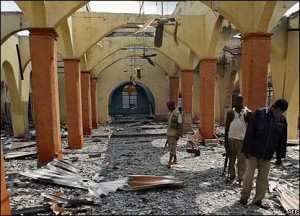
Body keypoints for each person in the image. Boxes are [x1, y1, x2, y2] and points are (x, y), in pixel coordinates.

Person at [240, 99, 289, 209]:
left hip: (267, 155)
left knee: (263, 178)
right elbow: (250, 132)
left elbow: (282, 139)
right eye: (278, 111)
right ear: (274, 107)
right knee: (249, 176)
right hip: (253, 152)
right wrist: (247, 149)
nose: (279, 113)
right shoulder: (260, 114)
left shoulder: (282, 119)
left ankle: (258, 200)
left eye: (281, 112)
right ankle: (244, 196)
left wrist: (280, 157)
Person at [224, 95, 252, 184]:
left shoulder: (248, 112)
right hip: (231, 139)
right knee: (231, 159)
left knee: (242, 160)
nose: (234, 102)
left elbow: (250, 128)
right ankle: (231, 176)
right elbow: (227, 128)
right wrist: (226, 142)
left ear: (241, 101)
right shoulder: (231, 113)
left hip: (242, 140)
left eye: (236, 101)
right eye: (233, 101)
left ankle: (241, 178)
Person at [166, 100, 183, 168]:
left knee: (172, 147)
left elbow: (180, 125)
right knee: (171, 146)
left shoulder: (178, 114)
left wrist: (178, 134)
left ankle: (170, 161)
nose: (168, 108)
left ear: (172, 106)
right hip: (169, 133)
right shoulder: (170, 113)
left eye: (169, 106)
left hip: (174, 134)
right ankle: (175, 159)